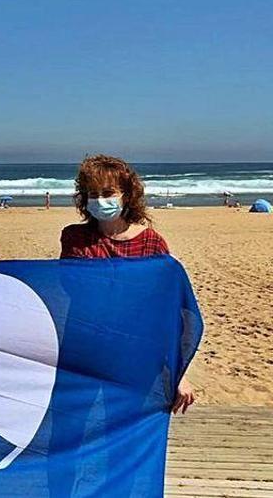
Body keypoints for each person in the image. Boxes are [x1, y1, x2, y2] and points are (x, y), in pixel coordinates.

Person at [59, 154, 194, 414]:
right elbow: (70, 287)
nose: (100, 200)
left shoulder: (151, 244)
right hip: (83, 349)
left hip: (133, 353)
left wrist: (179, 372)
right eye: (92, 193)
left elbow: (165, 313)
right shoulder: (74, 237)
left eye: (108, 192)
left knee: (122, 423)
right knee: (70, 422)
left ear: (127, 194)